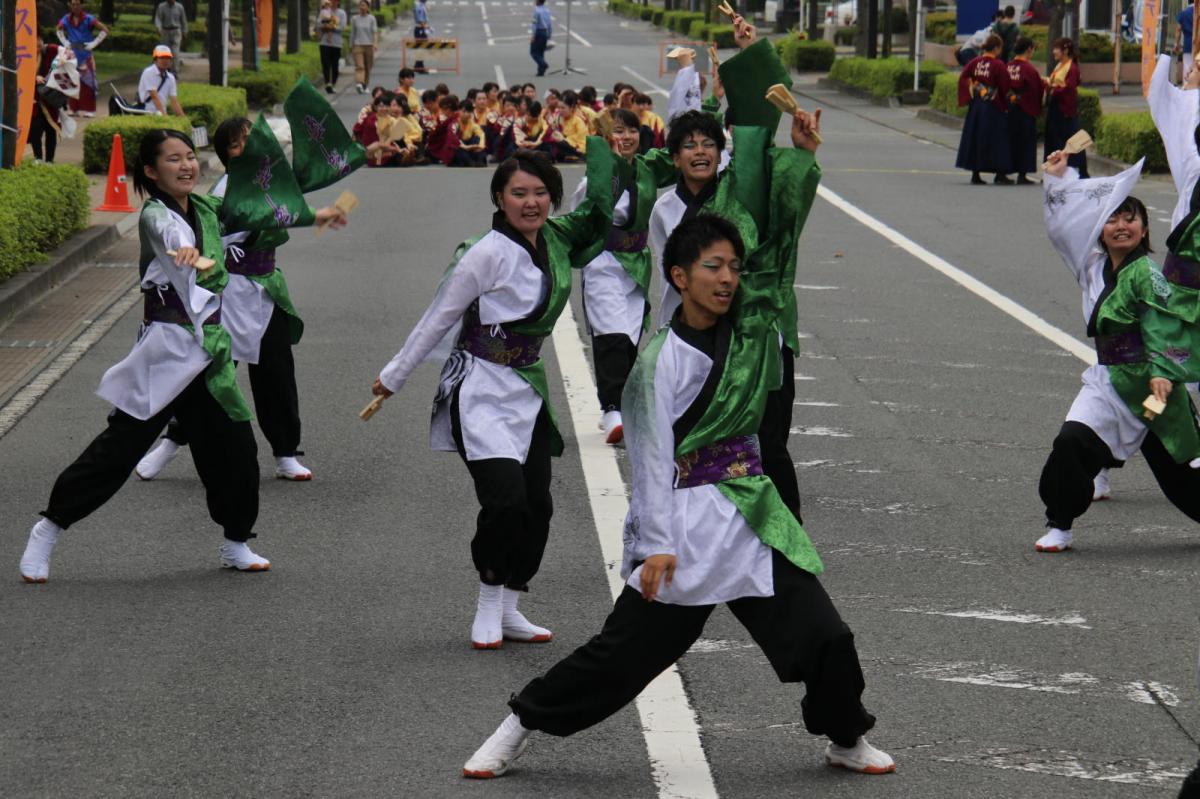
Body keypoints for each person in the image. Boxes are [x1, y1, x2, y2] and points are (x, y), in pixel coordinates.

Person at [461, 209, 896, 783]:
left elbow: (781, 243)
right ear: (678, 276)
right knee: (620, 657)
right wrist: (657, 545)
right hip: (685, 529)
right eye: (712, 266)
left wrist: (796, 158)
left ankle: (845, 736)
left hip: (751, 517)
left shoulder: (749, 330)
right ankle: (519, 723)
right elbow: (650, 460)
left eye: (734, 268)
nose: (727, 278)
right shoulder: (657, 363)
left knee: (827, 637)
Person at [371, 145, 615, 649]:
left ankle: (510, 607)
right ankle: (487, 598)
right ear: (499, 198)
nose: (531, 202)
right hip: (479, 389)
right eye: (519, 193)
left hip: (525, 388)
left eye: (541, 193)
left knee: (538, 506)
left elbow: (600, 213)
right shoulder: (484, 252)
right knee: (505, 500)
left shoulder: (556, 239)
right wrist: (393, 376)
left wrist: (612, 155)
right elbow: (439, 316)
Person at [19, 130, 269, 583]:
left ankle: (236, 542)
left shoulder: (207, 208)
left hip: (209, 358)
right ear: (151, 172)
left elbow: (250, 213)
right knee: (118, 449)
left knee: (235, 449)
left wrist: (310, 210)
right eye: (174, 160)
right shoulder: (157, 216)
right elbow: (172, 236)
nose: (187, 165)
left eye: (191, 157)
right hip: (167, 355)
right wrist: (188, 250)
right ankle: (48, 528)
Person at [1034, 57, 1200, 553]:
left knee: (1188, 477)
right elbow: (1063, 228)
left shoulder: (1151, 276)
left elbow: (1173, 331)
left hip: (1154, 392)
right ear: (1102, 230)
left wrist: (1165, 377)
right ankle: (1060, 523)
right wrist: (1058, 180)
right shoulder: (1089, 265)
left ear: (1146, 229)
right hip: (1109, 383)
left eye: (1132, 219)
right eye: (1113, 220)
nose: (1122, 226)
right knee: (1071, 445)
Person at [648, 17, 810, 525]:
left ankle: (788, 539)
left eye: (709, 144)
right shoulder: (665, 212)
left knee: (769, 442)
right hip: (695, 344)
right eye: (689, 145)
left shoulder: (739, 193)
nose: (701, 151)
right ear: (673, 157)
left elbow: (760, 129)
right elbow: (668, 286)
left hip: (756, 335)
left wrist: (754, 50)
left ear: (721, 154)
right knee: (695, 441)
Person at [135, 118, 350, 482]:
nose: (249, 148)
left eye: (253, 140)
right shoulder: (223, 189)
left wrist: (320, 211)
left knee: (276, 373)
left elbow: (285, 205)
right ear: (226, 153)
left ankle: (285, 452)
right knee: (209, 376)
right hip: (227, 290)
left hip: (266, 289)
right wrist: (187, 250)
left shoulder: (265, 183)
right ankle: (171, 441)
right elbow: (197, 226)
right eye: (239, 144)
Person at [572, 109, 655, 443]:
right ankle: (611, 411)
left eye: (632, 130)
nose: (628, 137)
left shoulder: (647, 170)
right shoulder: (594, 179)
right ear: (606, 137)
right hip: (604, 262)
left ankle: (622, 407)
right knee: (612, 334)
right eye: (619, 130)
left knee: (631, 338)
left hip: (635, 265)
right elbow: (582, 219)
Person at [955, 33, 1012, 185]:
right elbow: (1005, 86)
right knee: (998, 139)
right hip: (993, 107)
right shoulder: (998, 65)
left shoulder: (975, 62)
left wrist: (976, 86)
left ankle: (976, 173)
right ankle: (1000, 173)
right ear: (996, 48)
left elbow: (964, 77)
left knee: (976, 136)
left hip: (977, 106)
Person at [1044, 36, 1088, 178]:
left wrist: (1052, 88)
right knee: (1055, 138)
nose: (1054, 52)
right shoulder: (1059, 66)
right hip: (1056, 107)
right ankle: (1056, 170)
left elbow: (1069, 89)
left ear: (1065, 50)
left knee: (1073, 140)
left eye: (1057, 49)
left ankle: (1080, 171)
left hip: (1065, 109)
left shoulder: (1072, 68)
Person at [56, 0, 107, 117]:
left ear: (82, 5)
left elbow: (105, 30)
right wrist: (65, 42)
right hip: (72, 54)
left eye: (77, 4)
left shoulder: (89, 19)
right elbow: (58, 29)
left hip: (86, 53)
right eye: (73, 4)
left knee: (88, 83)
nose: (75, 6)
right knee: (72, 81)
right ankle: (74, 108)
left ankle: (90, 109)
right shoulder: (66, 19)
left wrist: (94, 43)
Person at [1006, 36, 1042, 185]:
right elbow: (1036, 90)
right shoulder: (1029, 69)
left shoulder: (1008, 66)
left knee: (1008, 141)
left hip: (1009, 108)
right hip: (1024, 110)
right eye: (1032, 49)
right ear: (1028, 49)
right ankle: (1022, 173)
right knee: (1025, 141)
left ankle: (1002, 171)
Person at [138, 46, 185, 116]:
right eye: (162, 58)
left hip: (161, 114)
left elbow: (174, 101)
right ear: (155, 59)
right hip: (147, 112)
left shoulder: (171, 77)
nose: (165, 60)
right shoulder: (148, 72)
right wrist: (165, 117)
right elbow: (154, 97)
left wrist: (186, 123)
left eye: (167, 58)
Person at [318, 0, 347, 94]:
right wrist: (324, 25)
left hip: (336, 43)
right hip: (324, 42)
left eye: (335, 1)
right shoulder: (324, 11)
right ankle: (327, 83)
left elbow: (342, 27)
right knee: (325, 63)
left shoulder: (342, 13)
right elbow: (319, 24)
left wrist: (332, 27)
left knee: (335, 65)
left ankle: (333, 83)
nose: (333, 2)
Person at [351, 0, 378, 93]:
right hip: (358, 45)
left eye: (364, 5)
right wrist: (351, 45)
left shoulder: (372, 18)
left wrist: (375, 43)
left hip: (369, 45)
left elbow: (374, 32)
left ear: (367, 7)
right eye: (360, 5)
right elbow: (353, 33)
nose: (362, 7)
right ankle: (359, 83)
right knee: (360, 66)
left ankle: (365, 85)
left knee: (368, 67)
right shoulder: (355, 19)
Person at [154, 0, 188, 65]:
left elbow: (183, 20)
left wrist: (185, 31)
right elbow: (158, 19)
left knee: (175, 51)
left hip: (176, 31)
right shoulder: (161, 7)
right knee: (165, 50)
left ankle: (175, 70)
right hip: (165, 31)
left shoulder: (180, 7)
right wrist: (158, 28)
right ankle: (166, 68)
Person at [530, 0, 552, 77]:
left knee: (534, 52)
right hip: (545, 32)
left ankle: (543, 64)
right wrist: (549, 34)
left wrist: (533, 35)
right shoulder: (547, 11)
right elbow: (549, 23)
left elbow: (534, 24)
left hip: (538, 32)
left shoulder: (536, 11)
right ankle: (540, 71)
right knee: (541, 52)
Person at [1177, 0, 1196, 80]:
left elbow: (1178, 30)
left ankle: (1187, 89)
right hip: (1198, 44)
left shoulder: (1183, 13)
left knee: (1187, 67)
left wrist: (1176, 44)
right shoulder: (1198, 13)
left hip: (1188, 44)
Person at [413, 0, 431, 73]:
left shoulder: (421, 5)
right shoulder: (419, 6)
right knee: (421, 47)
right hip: (420, 28)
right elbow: (420, 18)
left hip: (421, 28)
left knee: (421, 47)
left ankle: (418, 65)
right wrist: (425, 27)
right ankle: (420, 67)